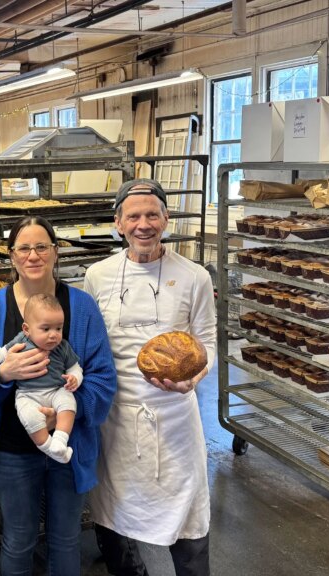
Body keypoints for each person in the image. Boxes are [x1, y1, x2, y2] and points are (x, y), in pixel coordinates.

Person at [0, 215, 117, 576]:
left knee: (65, 539)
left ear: (56, 251)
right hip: (13, 450)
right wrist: (3, 374)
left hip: (68, 445)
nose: (33, 255)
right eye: (24, 248)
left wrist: (68, 411)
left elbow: (103, 378)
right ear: (12, 256)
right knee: (18, 538)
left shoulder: (81, 307)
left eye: (41, 246)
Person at [82, 178, 216, 576]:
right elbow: (92, 347)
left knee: (188, 515)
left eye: (152, 215)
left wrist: (192, 381)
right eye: (134, 216)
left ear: (166, 219)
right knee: (114, 512)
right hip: (117, 417)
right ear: (118, 223)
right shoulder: (98, 275)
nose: (144, 224)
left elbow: (206, 343)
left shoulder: (194, 277)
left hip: (174, 416)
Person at [0, 293, 83, 464]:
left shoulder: (62, 347)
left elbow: (75, 367)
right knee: (30, 417)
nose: (53, 335)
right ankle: (48, 447)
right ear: (26, 329)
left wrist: (75, 378)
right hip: (28, 394)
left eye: (58, 328)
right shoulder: (21, 341)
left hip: (56, 390)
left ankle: (60, 440)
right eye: (46, 329)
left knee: (68, 403)